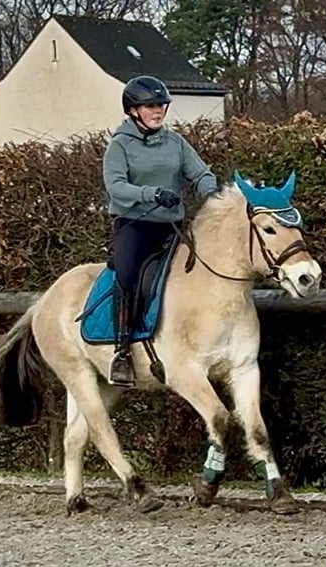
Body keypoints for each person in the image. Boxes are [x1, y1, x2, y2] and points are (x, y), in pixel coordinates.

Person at [102, 75, 218, 386]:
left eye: (161, 105)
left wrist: (211, 192)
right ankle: (122, 352)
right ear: (133, 111)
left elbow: (201, 173)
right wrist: (151, 194)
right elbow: (116, 187)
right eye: (150, 106)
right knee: (127, 276)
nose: (158, 111)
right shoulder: (120, 145)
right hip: (135, 226)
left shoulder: (175, 143)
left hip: (171, 227)